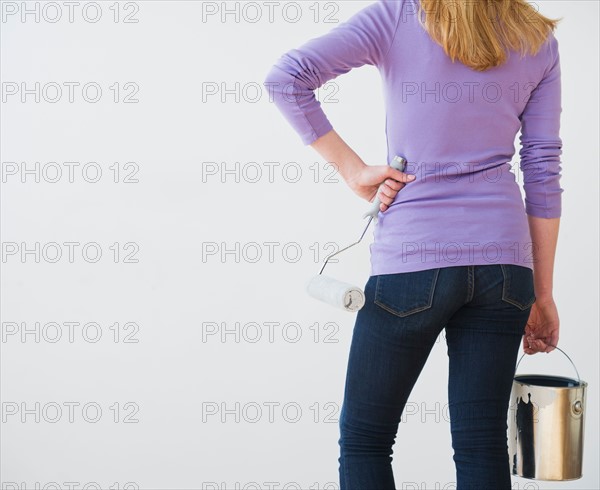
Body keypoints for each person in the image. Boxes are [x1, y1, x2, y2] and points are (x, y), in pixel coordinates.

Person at [263, 0, 563, 488]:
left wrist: (353, 170)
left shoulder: (397, 15)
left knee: (366, 439)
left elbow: (287, 78)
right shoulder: (534, 35)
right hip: (505, 268)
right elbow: (543, 168)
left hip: (414, 259)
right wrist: (542, 293)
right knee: (482, 442)